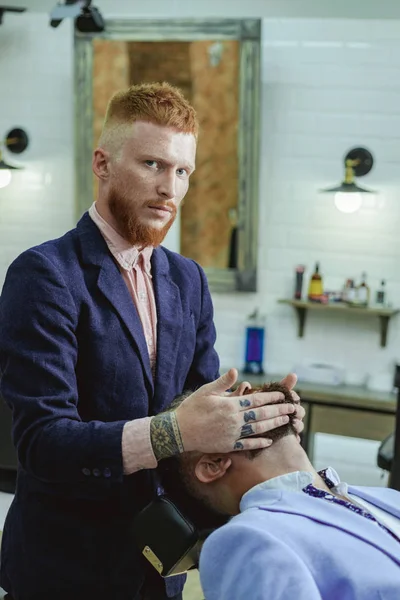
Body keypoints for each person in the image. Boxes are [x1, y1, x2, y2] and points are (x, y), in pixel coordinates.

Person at [0, 82, 304, 600]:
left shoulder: (187, 279)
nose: (170, 188)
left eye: (182, 170)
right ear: (103, 164)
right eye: (152, 165)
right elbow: (41, 443)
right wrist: (169, 434)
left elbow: (198, 411)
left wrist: (258, 419)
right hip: (65, 568)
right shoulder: (44, 274)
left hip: (163, 563)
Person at [160, 383, 400, 600]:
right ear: (214, 464)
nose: (245, 387)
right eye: (226, 402)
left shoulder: (389, 499)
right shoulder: (246, 540)